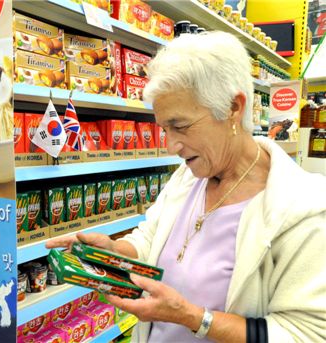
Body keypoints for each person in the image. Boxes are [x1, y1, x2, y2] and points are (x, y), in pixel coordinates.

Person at [46, 31, 326, 342]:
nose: (170, 146)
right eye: (164, 128)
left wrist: (193, 318)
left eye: (180, 126)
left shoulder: (302, 210)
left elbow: (306, 334)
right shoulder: (189, 176)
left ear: (234, 107)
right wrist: (115, 251)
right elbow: (153, 236)